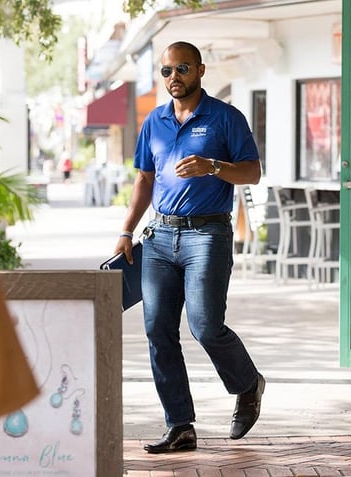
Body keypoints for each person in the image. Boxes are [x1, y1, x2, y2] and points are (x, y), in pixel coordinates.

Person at [113, 41, 265, 454]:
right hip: (159, 238)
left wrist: (212, 166)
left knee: (204, 325)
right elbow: (144, 179)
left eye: (182, 69)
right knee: (158, 330)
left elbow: (252, 172)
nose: (173, 77)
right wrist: (126, 230)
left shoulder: (225, 118)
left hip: (207, 236)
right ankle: (180, 425)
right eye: (166, 71)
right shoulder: (153, 122)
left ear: (199, 70)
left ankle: (248, 385)